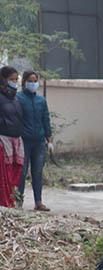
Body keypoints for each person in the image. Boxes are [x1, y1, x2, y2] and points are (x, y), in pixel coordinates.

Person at [16, 70, 52, 212]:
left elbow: (46, 120)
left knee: (37, 171)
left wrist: (49, 140)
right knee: (22, 172)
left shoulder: (41, 101)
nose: (33, 83)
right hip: (24, 140)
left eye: (35, 81)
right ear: (24, 82)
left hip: (39, 141)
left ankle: (38, 202)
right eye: (30, 81)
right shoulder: (18, 99)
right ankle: (19, 200)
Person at [0, 65, 23, 209]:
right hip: (3, 140)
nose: (14, 82)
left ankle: (11, 203)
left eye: (16, 79)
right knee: (4, 175)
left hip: (16, 140)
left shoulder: (16, 99)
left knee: (16, 172)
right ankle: (4, 204)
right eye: (11, 79)